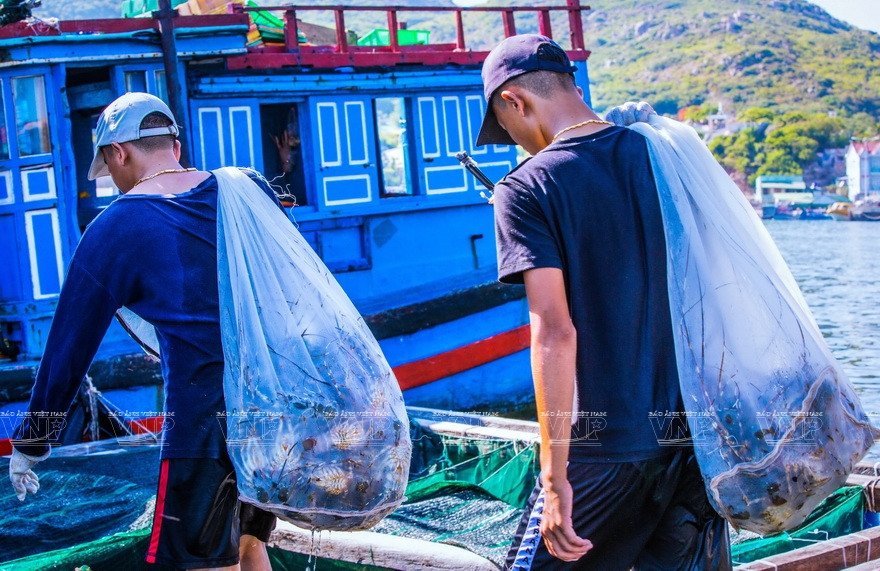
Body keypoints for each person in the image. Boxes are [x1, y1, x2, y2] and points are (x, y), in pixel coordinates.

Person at [475, 35, 732, 569]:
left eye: (508, 131)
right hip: (690, 445)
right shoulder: (661, 156)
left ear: (514, 102)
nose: (516, 144)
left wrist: (554, 479)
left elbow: (554, 332)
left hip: (606, 448)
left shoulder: (525, 188)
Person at [8, 92, 278, 571]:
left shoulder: (117, 226)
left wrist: (33, 440)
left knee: (200, 564)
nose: (113, 180)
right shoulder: (248, 189)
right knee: (249, 545)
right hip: (272, 413)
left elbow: (67, 354)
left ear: (118, 153)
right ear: (173, 142)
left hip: (202, 427)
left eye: (109, 168)